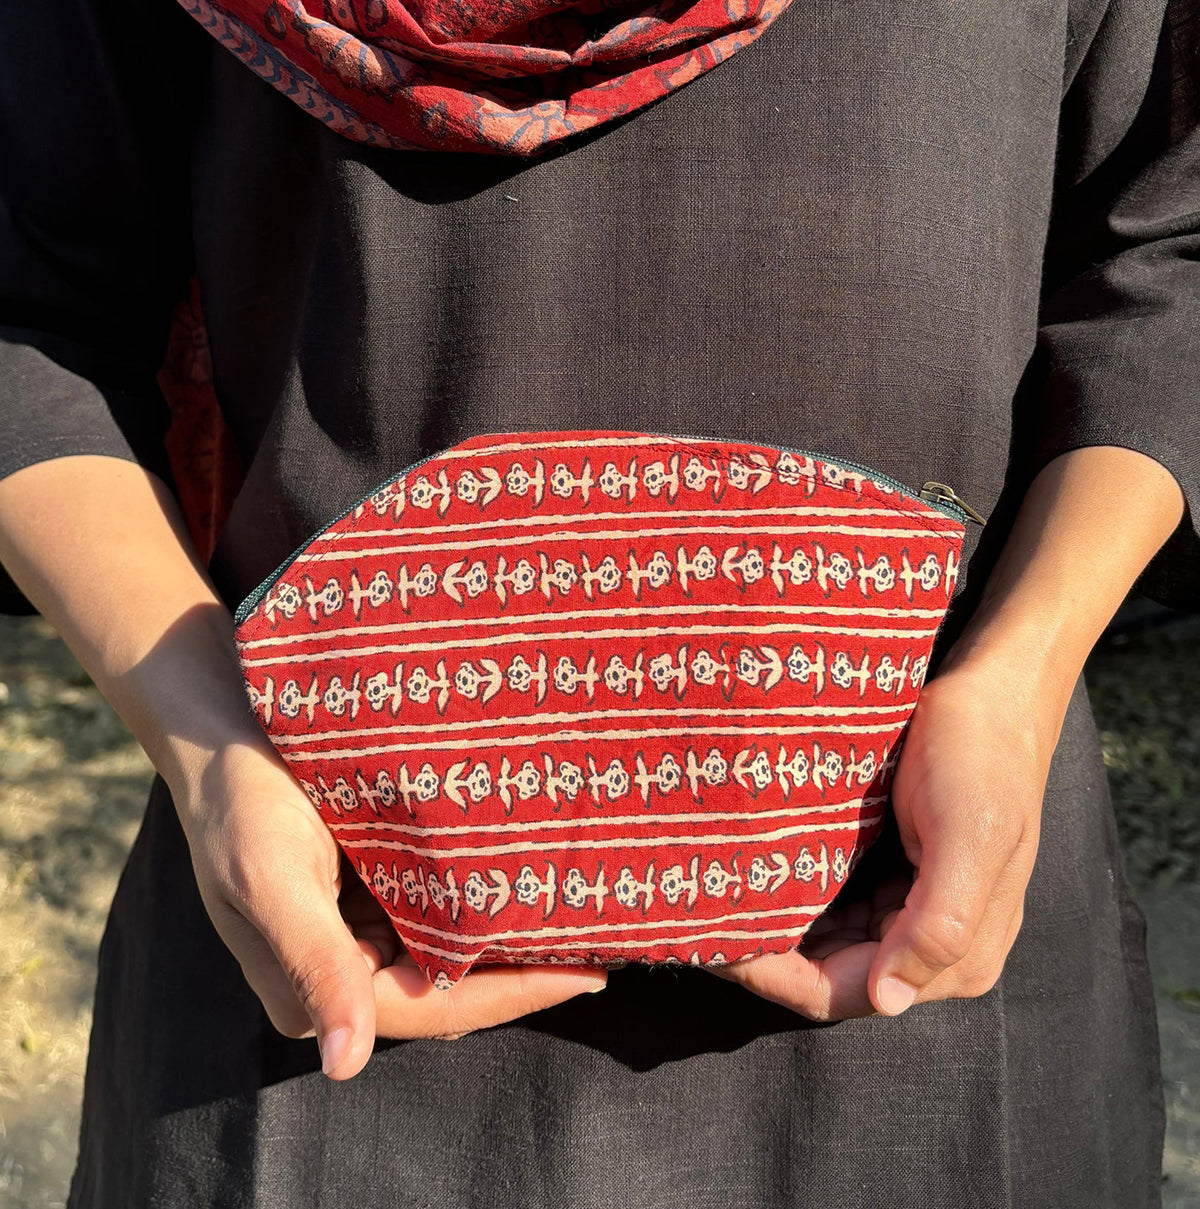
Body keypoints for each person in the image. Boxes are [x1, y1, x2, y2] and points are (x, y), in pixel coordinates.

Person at [0, 0, 1197, 1205]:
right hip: (316, 972)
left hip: (928, 972)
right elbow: (30, 314)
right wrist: (213, 756)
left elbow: (1161, 259)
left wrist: (1021, 674)